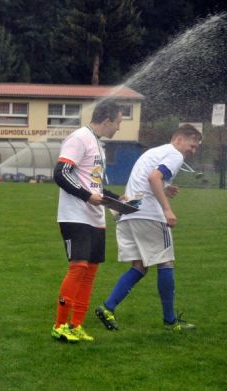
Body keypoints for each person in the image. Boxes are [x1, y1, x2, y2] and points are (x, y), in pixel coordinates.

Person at [95, 124, 202, 332]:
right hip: (148, 215)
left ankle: (107, 307)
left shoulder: (155, 151)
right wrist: (167, 209)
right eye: (192, 145)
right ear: (179, 139)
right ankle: (170, 321)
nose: (193, 150)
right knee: (165, 263)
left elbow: (149, 178)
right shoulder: (174, 154)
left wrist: (164, 187)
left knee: (140, 266)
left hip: (128, 213)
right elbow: (154, 177)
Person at [51, 99, 123, 343]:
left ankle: (76, 325)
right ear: (107, 120)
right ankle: (60, 325)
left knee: (90, 271)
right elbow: (61, 173)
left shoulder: (98, 144)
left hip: (96, 218)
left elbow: (95, 185)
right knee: (78, 267)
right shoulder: (79, 137)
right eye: (119, 122)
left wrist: (118, 199)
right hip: (74, 215)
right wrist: (86, 196)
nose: (119, 128)